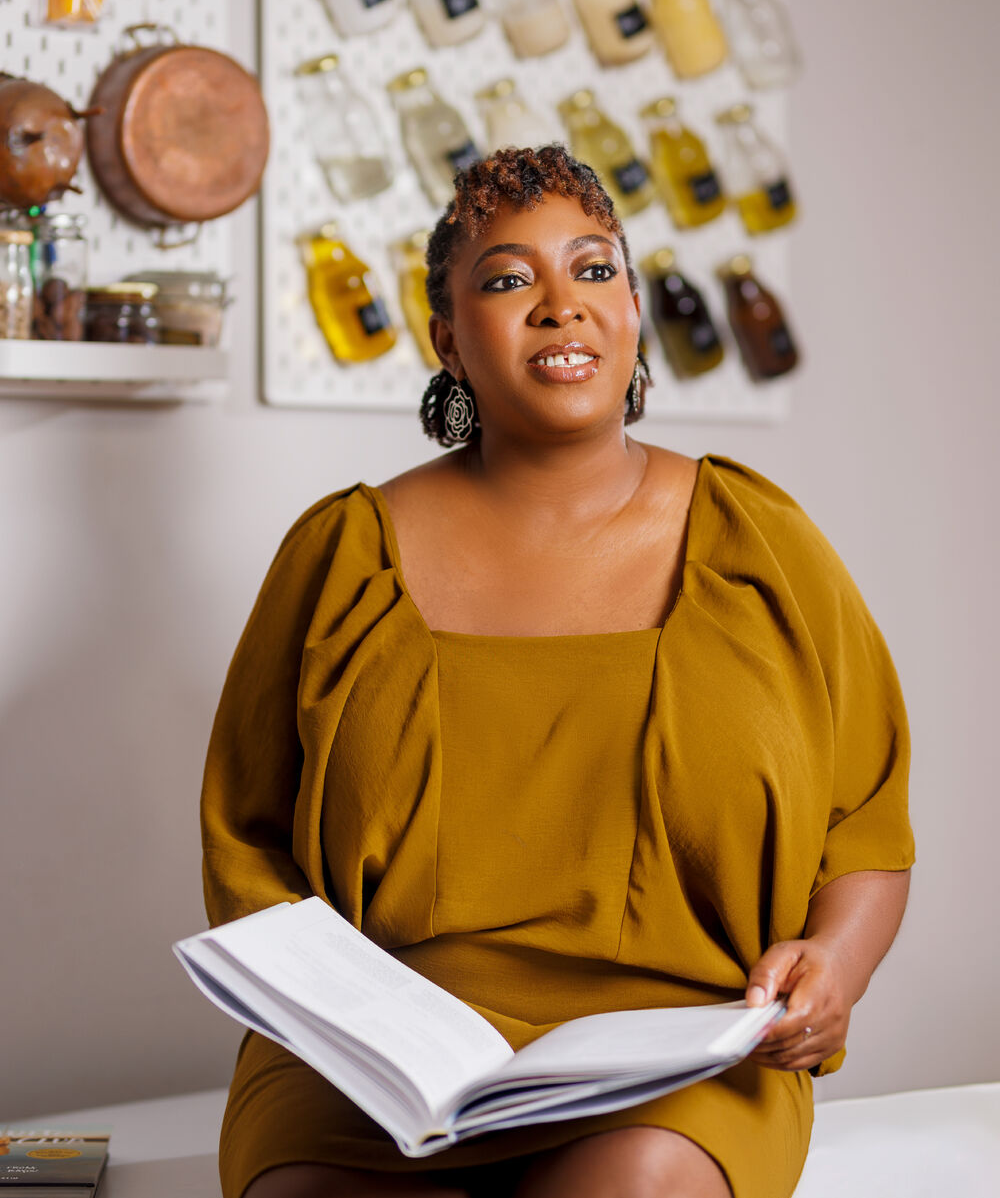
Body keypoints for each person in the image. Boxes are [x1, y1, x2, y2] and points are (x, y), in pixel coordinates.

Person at [201, 147, 915, 1198]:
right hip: (375, 1067)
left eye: (592, 269)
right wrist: (337, 1019)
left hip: (678, 1060)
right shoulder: (344, 555)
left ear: (632, 308)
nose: (560, 304)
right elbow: (247, 842)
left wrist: (836, 965)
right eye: (507, 278)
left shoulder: (757, 542)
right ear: (448, 339)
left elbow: (868, 821)